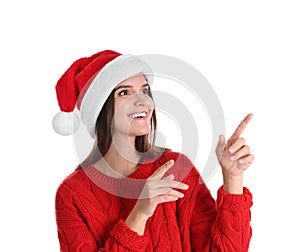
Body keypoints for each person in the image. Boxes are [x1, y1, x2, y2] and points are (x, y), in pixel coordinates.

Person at [52, 50, 254, 251]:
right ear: (99, 110)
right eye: (124, 92)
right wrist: (140, 213)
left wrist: (232, 178)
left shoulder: (177, 168)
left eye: (144, 90)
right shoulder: (72, 194)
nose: (143, 102)